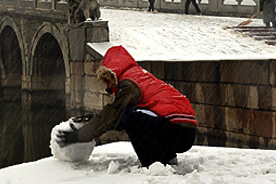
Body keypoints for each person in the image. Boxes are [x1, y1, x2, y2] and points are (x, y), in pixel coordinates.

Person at [56, 45, 197, 167]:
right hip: (183, 130)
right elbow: (119, 119)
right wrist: (93, 119)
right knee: (132, 117)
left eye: (106, 80)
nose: (107, 85)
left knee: (132, 115)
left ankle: (155, 162)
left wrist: (78, 136)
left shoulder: (129, 84)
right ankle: (166, 156)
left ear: (111, 72)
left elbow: (112, 116)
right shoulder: (138, 76)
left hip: (179, 130)